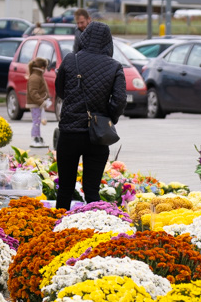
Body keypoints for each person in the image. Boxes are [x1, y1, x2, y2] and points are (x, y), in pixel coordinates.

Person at [55, 21, 126, 209]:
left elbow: (60, 90)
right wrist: (108, 118)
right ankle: (93, 229)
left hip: (70, 132)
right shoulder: (114, 66)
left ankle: (55, 232)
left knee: (65, 189)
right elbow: (119, 100)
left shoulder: (71, 60)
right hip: (98, 135)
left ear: (84, 38)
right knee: (92, 191)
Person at [27, 57, 50, 147]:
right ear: (43, 67)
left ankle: (38, 137)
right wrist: (41, 102)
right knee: (36, 121)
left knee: (38, 121)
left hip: (37, 103)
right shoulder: (35, 77)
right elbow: (33, 92)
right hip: (35, 103)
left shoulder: (37, 75)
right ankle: (35, 138)